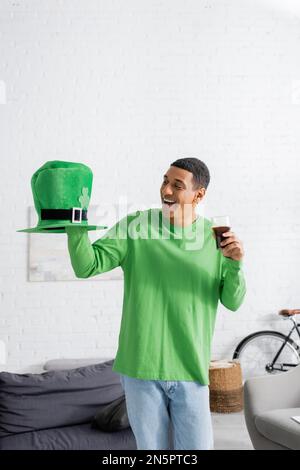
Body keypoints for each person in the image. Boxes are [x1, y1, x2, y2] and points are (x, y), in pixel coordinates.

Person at [66, 157, 246, 450]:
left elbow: (233, 301)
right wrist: (76, 224)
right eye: (165, 181)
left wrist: (236, 265)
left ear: (199, 195)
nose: (167, 190)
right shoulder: (137, 226)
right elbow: (87, 266)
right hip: (140, 368)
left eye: (177, 185)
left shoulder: (215, 238)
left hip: (191, 368)